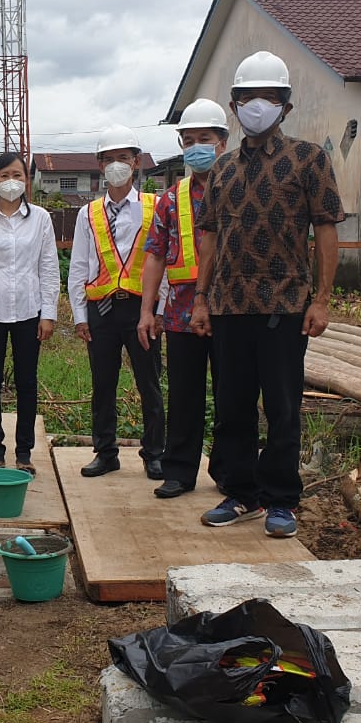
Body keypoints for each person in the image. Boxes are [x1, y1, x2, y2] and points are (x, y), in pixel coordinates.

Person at [190, 51, 345, 538]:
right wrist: (200, 298)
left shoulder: (308, 159)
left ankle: (280, 500)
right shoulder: (223, 169)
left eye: (269, 97)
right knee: (232, 406)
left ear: (286, 106)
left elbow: (326, 229)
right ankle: (240, 494)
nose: (258, 105)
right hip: (230, 306)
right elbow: (210, 236)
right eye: (247, 98)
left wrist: (321, 299)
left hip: (284, 305)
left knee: (282, 407)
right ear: (233, 107)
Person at [139, 98, 229, 499]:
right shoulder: (171, 198)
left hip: (229, 311)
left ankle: (228, 470)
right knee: (184, 394)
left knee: (231, 394)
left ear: (222, 143)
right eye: (188, 139)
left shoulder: (239, 192)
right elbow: (155, 254)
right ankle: (179, 470)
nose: (196, 146)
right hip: (178, 314)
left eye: (204, 139)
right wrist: (147, 310)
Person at [68, 125, 165, 479]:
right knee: (103, 384)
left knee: (149, 383)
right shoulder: (87, 214)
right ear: (99, 166)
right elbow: (78, 266)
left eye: (122, 158)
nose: (115, 165)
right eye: (108, 159)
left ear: (136, 162)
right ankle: (105, 452)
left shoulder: (156, 208)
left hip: (142, 311)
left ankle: (155, 453)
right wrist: (80, 316)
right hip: (102, 311)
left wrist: (160, 312)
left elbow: (166, 264)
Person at [0, 151, 59, 475]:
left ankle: (24, 453)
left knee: (26, 382)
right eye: (5, 175)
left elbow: (48, 266)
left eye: (17, 175)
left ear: (26, 180)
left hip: (28, 309)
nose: (11, 182)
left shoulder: (41, 219)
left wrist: (47, 313)